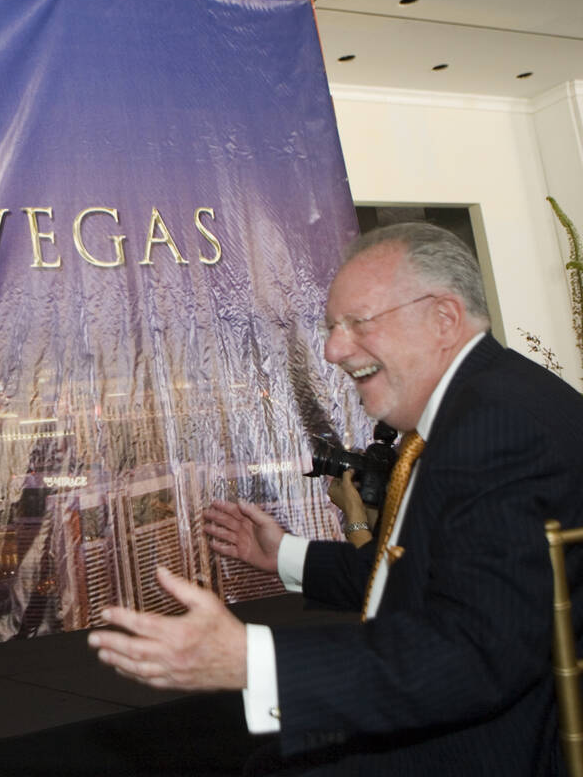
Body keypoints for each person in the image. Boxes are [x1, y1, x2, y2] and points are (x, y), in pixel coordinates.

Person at [88, 222, 583, 773]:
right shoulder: (484, 405)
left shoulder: (495, 428)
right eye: (330, 328)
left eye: (356, 324)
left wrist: (250, 662)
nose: (331, 349)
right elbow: (427, 575)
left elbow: (475, 653)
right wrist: (282, 555)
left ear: (443, 318)